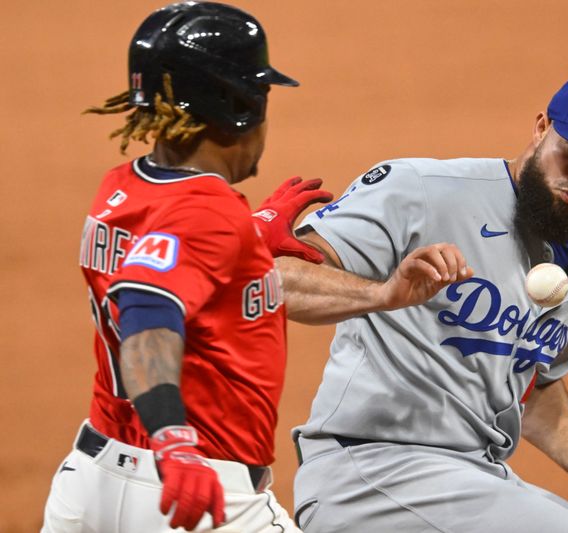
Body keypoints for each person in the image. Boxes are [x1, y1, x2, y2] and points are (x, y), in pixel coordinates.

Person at [41, 3, 471, 532]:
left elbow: (175, 260)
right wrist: (174, 444)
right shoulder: (210, 212)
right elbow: (146, 310)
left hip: (89, 483)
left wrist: (252, 244)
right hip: (195, 492)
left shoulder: (121, 187)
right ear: (238, 105)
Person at [288, 72, 568, 532]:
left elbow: (530, 385)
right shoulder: (421, 190)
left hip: (472, 481)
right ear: (541, 127)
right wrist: (380, 295)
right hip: (371, 471)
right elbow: (274, 278)